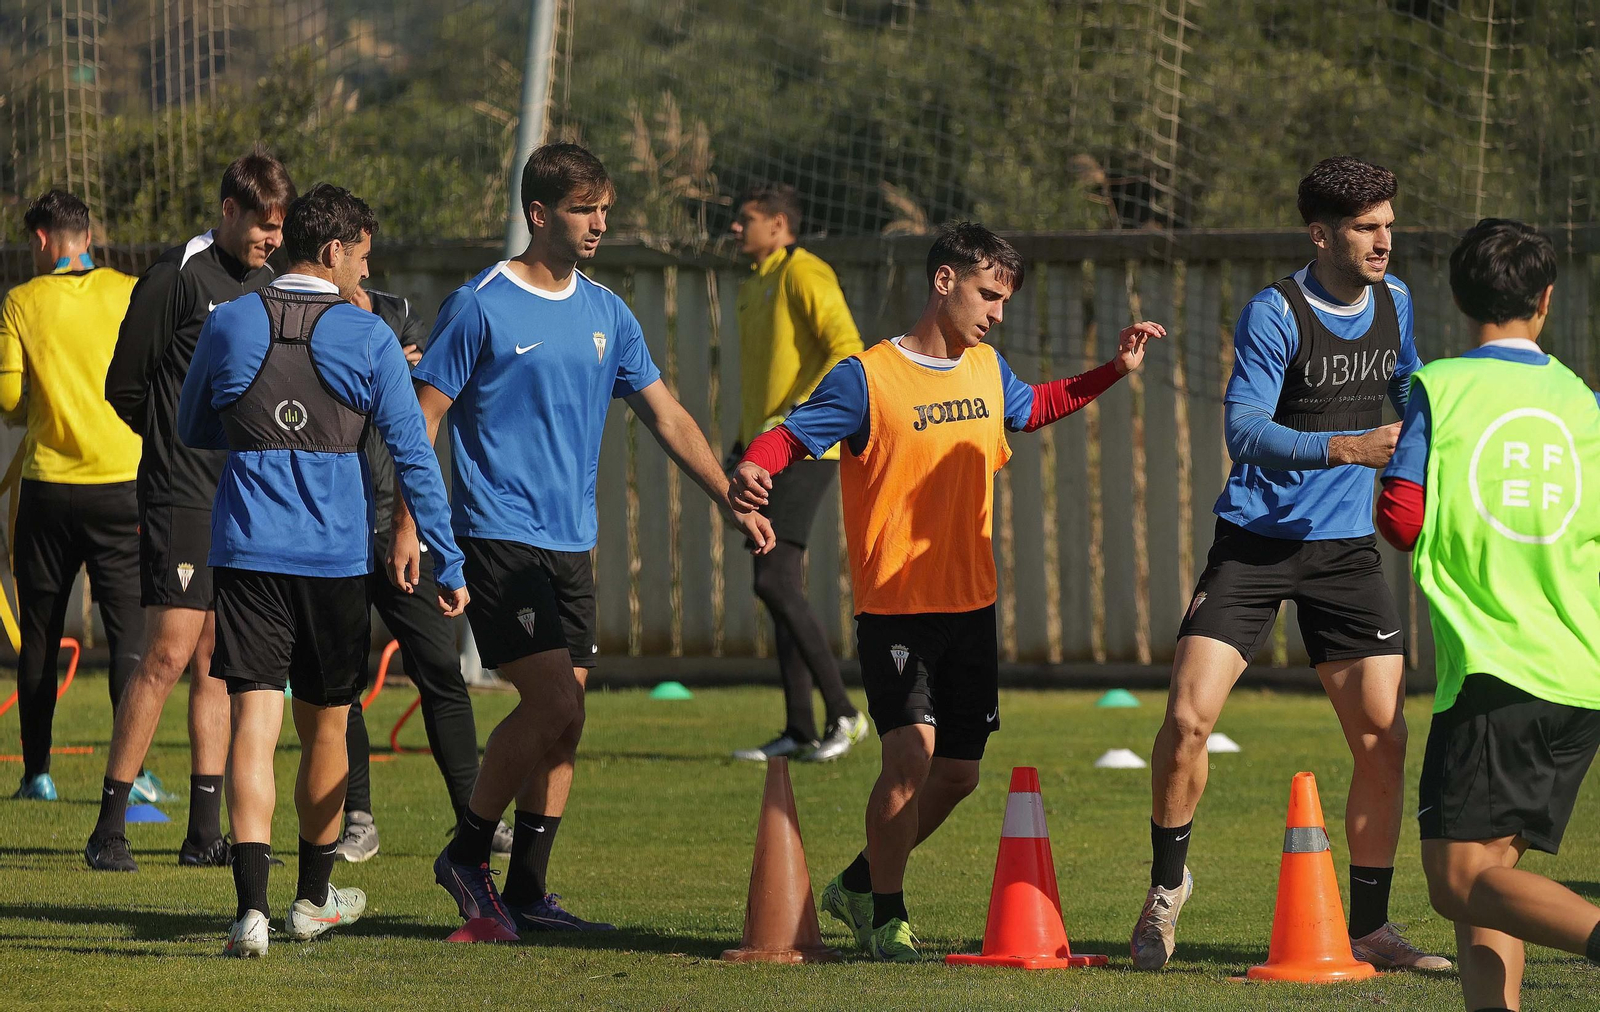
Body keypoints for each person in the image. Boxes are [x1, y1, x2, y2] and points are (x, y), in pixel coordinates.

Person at [730, 221, 1163, 961]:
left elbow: (1034, 408)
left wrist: (1111, 371)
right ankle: (887, 915)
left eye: (1004, 301)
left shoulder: (988, 370)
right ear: (943, 282)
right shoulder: (866, 378)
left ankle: (860, 882)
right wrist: (755, 467)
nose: (998, 313)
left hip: (973, 606)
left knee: (958, 774)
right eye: (988, 295)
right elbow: (794, 433)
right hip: (896, 608)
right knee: (911, 758)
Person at [401, 142, 774, 938]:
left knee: (569, 722)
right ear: (540, 215)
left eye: (605, 207)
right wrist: (413, 527)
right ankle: (467, 854)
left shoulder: (608, 311)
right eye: (583, 209)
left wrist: (729, 498)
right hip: (495, 536)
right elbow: (423, 421)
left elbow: (667, 415)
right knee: (553, 701)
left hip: (571, 543)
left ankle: (530, 891)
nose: (600, 222)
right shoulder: (480, 304)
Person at [1131, 156, 1448, 972]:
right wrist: (1345, 446)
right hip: (1256, 544)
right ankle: (1167, 892)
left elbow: (1407, 381)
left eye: (1388, 224)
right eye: (1367, 228)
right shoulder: (1275, 311)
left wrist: (1423, 431)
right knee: (1187, 721)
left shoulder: (1396, 299)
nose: (1385, 241)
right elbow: (1243, 429)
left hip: (1345, 553)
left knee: (1384, 737)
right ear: (1321, 234)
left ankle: (1370, 927)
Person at [177, 182, 467, 958]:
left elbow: (191, 422)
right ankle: (310, 900)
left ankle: (248, 912)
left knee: (254, 723)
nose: (365, 275)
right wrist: (447, 553)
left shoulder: (233, 318)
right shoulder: (367, 336)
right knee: (326, 727)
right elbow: (412, 453)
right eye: (363, 257)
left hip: (245, 552)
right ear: (335, 249)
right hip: (335, 559)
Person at [1377, 218, 1600, 1012]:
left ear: (1460, 297)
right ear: (1544, 301)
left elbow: (1403, 519)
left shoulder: (1439, 385)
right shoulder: (1583, 401)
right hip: (1578, 673)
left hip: (1497, 670)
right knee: (1492, 876)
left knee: (1457, 883)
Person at [89, 149, 296, 871]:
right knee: (169, 652)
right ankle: (109, 826)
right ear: (228, 211)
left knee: (218, 659)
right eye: (263, 226)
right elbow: (124, 386)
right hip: (180, 492)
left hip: (244, 496)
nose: (272, 239)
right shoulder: (176, 278)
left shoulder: (273, 283)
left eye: (281, 228)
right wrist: (176, 445)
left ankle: (205, 832)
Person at [335, 283, 510, 862]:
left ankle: (475, 817)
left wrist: (387, 352)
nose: (362, 270)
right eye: (355, 253)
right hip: (332, 528)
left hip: (400, 524)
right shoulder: (302, 313)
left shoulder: (399, 310)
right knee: (340, 680)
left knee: (440, 668)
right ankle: (357, 818)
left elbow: (420, 403)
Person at [2, 190, 143, 801]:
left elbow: (8, 403)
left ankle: (38, 774)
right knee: (130, 637)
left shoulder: (21, 301)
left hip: (49, 489)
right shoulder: (131, 291)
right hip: (124, 486)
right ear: (88, 235)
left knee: (40, 634)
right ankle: (132, 775)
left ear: (40, 241)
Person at [727, 182, 868, 764]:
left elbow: (847, 347)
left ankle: (845, 714)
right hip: (767, 449)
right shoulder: (753, 283)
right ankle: (799, 729)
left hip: (808, 449)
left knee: (774, 579)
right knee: (775, 584)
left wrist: (800, 418)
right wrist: (744, 439)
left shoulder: (805, 272)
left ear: (779, 225)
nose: (737, 229)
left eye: (748, 219)